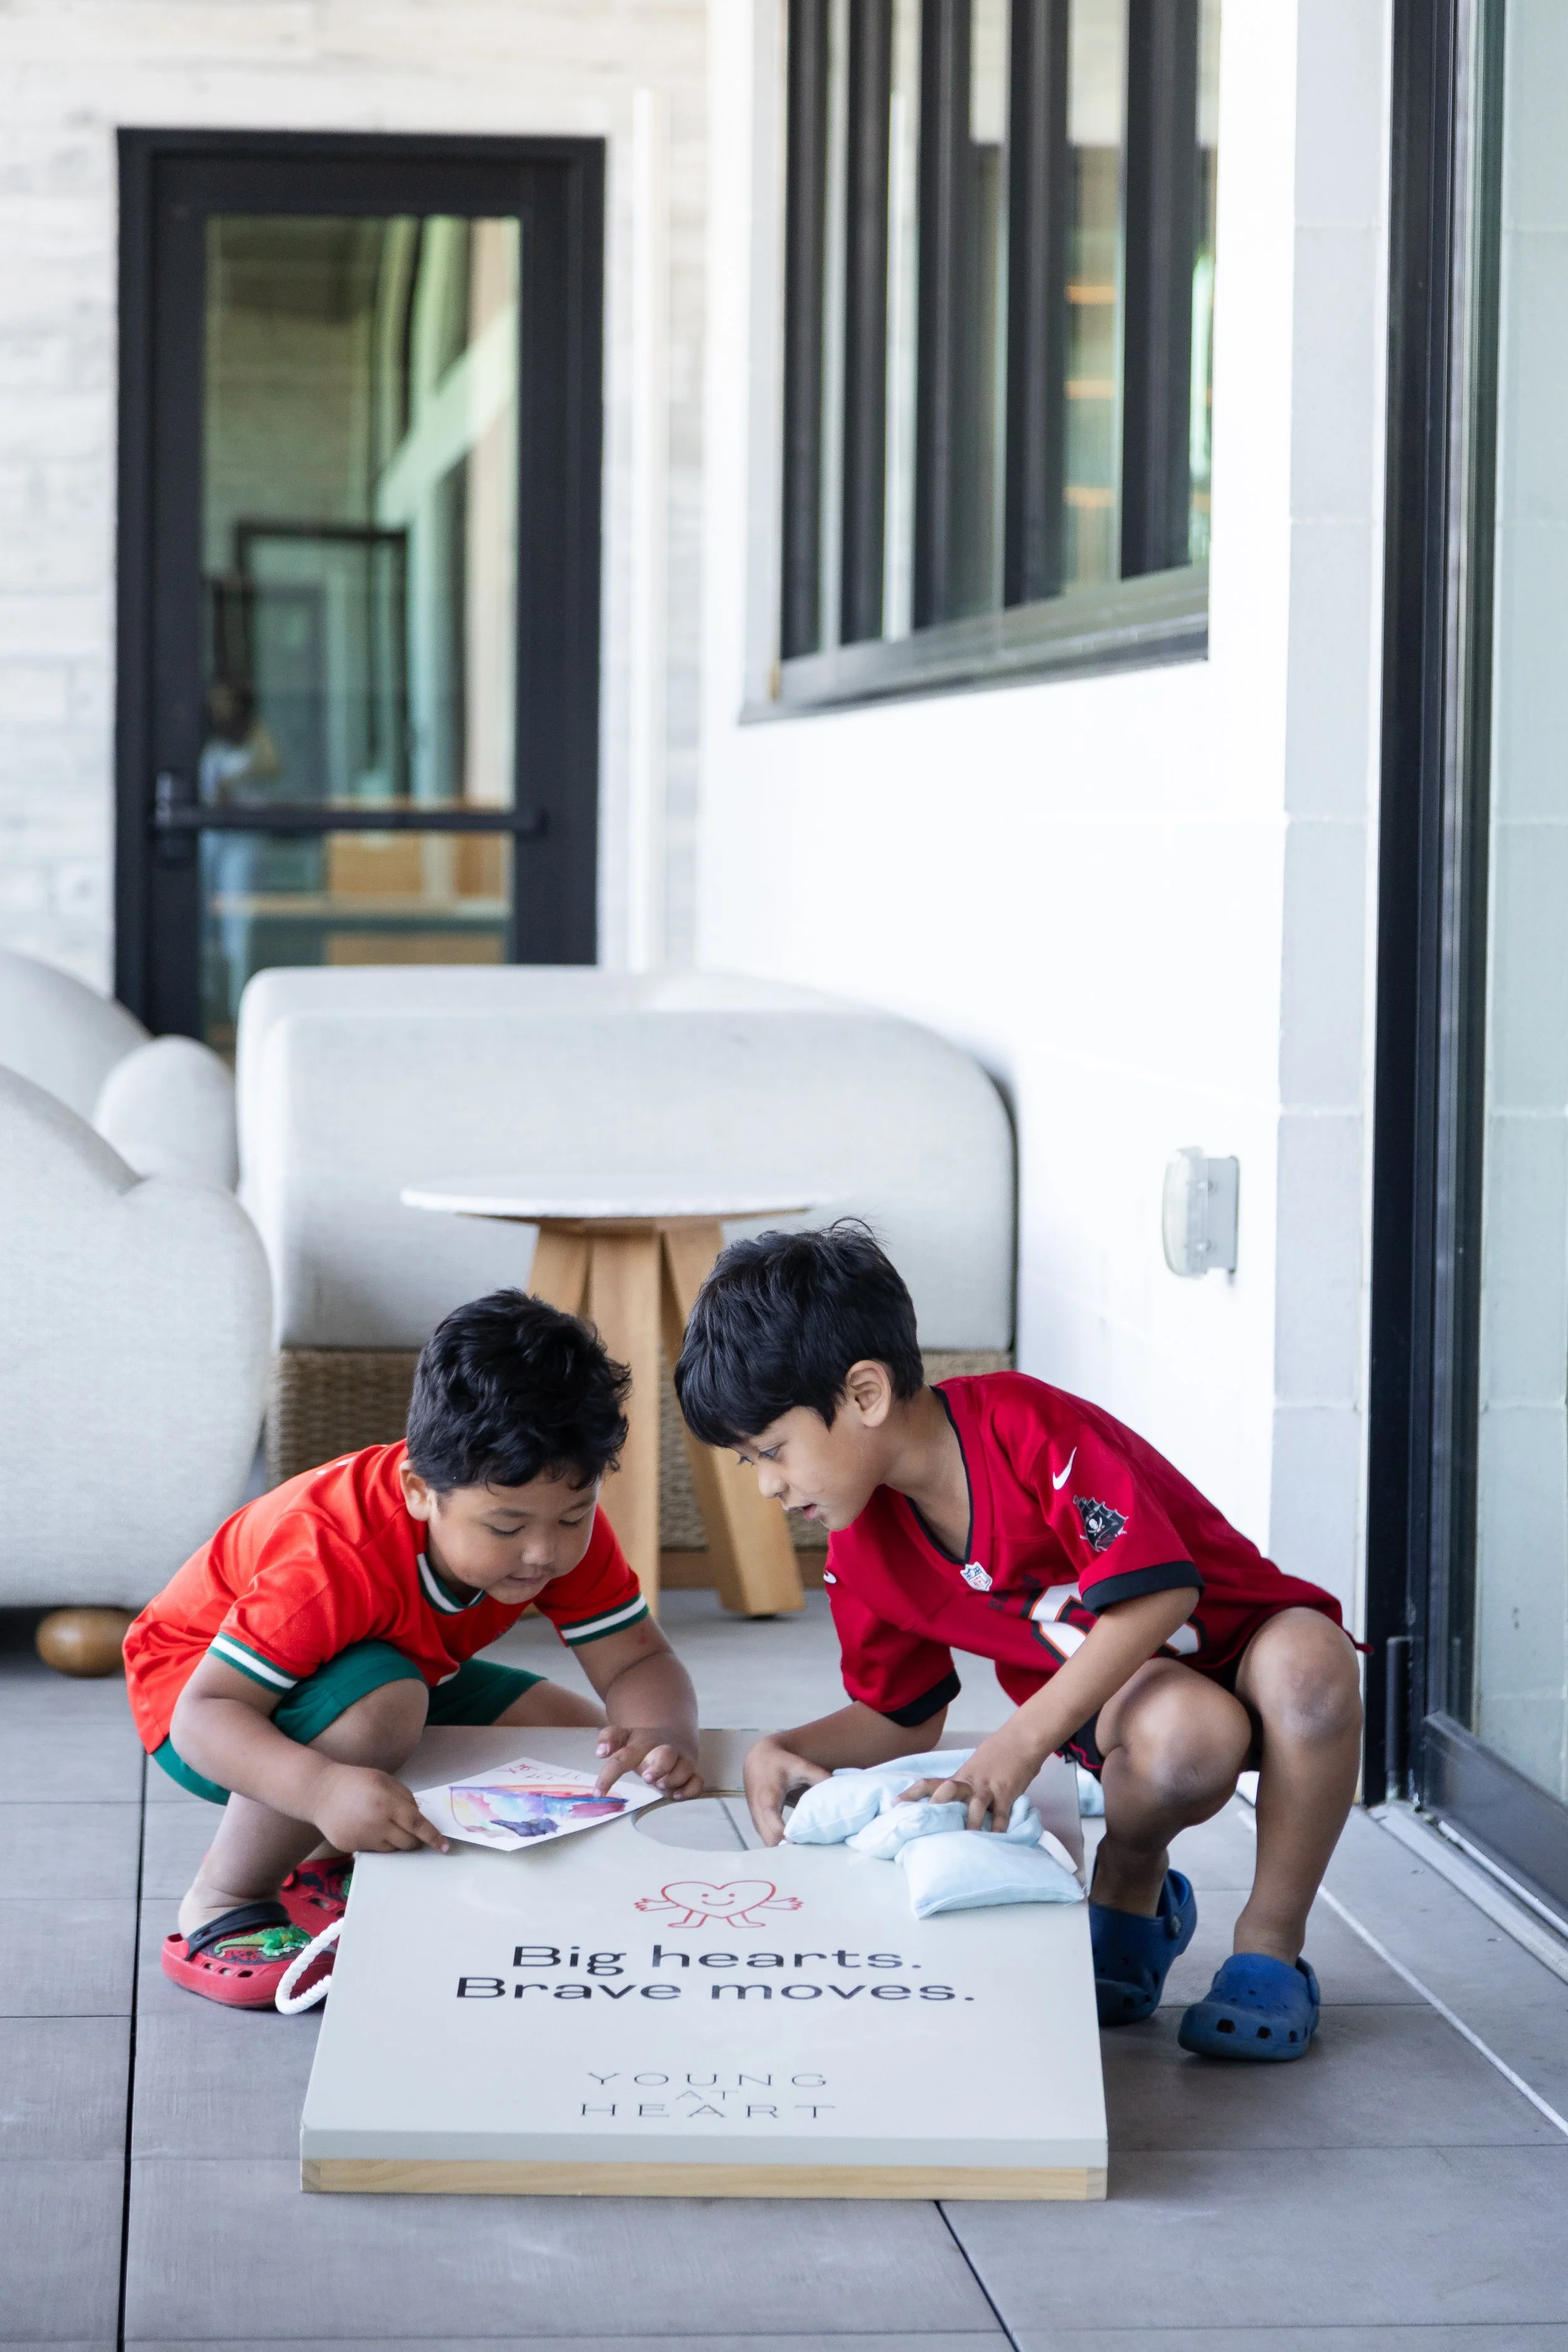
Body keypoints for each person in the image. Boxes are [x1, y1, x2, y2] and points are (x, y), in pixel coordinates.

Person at [674, 1224, 1362, 2062]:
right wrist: (786, 1745)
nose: (770, 1486)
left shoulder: (1024, 1424)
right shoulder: (861, 1547)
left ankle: (1269, 1945)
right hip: (1137, 1697)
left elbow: (1162, 1589)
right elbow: (902, 1713)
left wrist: (1019, 1743)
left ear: (864, 1393)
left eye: (773, 1450)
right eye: (751, 1462)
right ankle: (1132, 1881)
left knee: (1313, 1667)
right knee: (1188, 1742)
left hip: (1242, 1632)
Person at [126, 1289, 702, 2008]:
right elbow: (204, 1715)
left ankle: (324, 1859)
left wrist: (663, 1733)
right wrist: (321, 1789)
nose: (542, 1552)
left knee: (578, 1738)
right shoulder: (330, 1552)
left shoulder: (547, 1520)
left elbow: (638, 1660)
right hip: (198, 1691)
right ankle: (224, 1897)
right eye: (505, 1527)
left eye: (574, 1517)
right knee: (383, 1713)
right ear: (419, 1491)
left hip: (389, 1669)